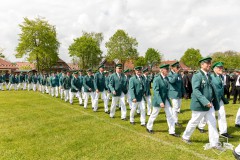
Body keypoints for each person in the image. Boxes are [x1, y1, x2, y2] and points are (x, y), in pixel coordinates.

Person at [182, 57, 223, 151]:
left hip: (210, 104)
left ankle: (214, 143)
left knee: (212, 123)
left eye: (210, 63)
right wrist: (205, 102)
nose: (209, 65)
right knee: (194, 122)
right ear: (202, 65)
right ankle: (185, 136)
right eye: (207, 63)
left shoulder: (209, 75)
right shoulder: (197, 75)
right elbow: (196, 90)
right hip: (200, 105)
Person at [197, 62, 233, 138]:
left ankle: (223, 132)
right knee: (206, 114)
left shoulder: (222, 77)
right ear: (215, 69)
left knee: (222, 114)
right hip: (211, 99)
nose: (221, 69)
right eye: (219, 68)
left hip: (219, 99)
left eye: (221, 68)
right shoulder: (210, 76)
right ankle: (201, 126)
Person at [146, 64, 179, 137]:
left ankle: (172, 131)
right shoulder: (157, 79)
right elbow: (156, 91)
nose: (168, 71)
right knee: (154, 114)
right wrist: (160, 101)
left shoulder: (167, 78)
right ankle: (149, 127)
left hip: (166, 99)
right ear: (162, 70)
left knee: (170, 114)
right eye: (166, 70)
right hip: (158, 100)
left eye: (168, 70)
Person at [168, 61, 185, 127]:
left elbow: (181, 84)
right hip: (173, 93)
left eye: (178, 67)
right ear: (172, 68)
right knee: (175, 108)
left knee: (178, 107)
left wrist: (183, 92)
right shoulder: (170, 74)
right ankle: (175, 121)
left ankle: (172, 117)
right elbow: (172, 81)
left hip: (179, 93)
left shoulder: (179, 74)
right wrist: (176, 73)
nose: (178, 68)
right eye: (176, 67)